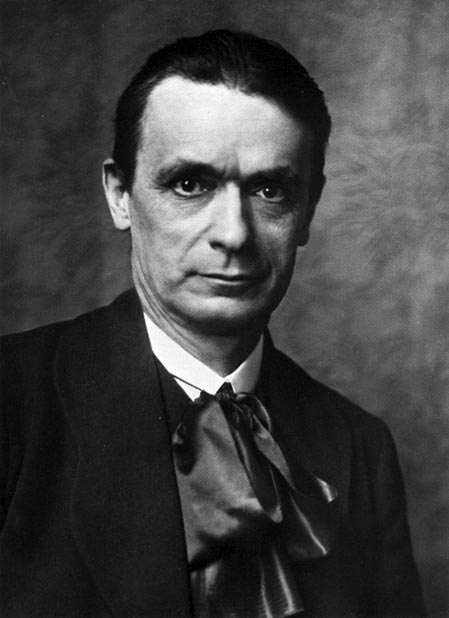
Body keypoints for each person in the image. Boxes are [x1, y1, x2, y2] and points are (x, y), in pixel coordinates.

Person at [0, 30, 425, 618]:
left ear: (308, 208)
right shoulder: (11, 396)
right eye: (190, 185)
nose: (234, 233)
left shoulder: (359, 447)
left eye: (270, 190)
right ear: (120, 195)